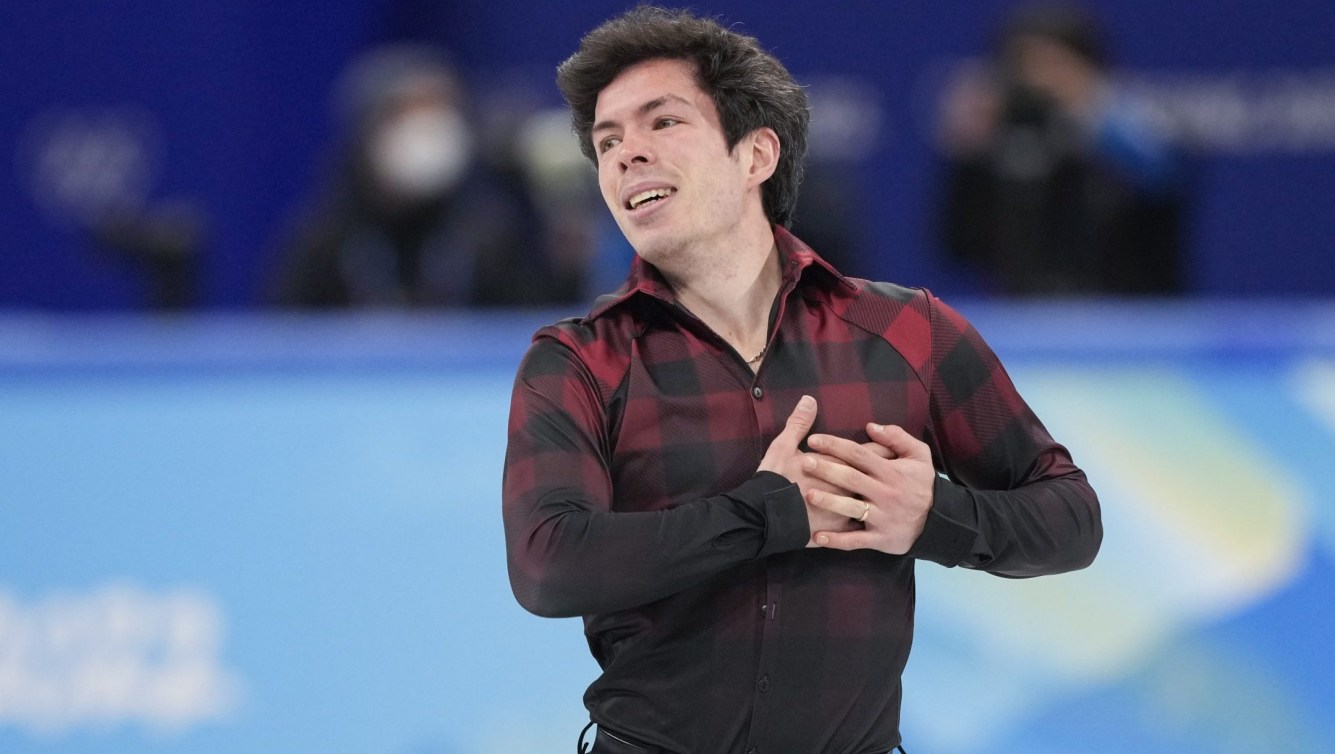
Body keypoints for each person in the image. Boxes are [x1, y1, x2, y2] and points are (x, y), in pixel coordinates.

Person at [501, 7, 1101, 753]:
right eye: (607, 141)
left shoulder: (906, 333)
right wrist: (763, 514)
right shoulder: (579, 361)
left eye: (661, 124)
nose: (626, 155)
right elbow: (547, 565)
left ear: (754, 155)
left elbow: (1071, 519)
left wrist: (931, 515)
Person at [268, 44, 578, 308]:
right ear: (367, 129)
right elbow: (288, 352)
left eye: (441, 108)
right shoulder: (323, 245)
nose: (428, 128)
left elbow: (530, 338)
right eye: (406, 111)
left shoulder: (491, 238)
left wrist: (567, 268)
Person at [936, 2, 1189, 295]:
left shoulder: (1135, 129)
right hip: (1025, 322)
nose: (1039, 81)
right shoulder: (996, 145)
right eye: (1023, 66)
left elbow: (1164, 180)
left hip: (1127, 320)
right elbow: (960, 247)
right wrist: (968, 156)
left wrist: (1091, 110)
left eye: (1054, 65)